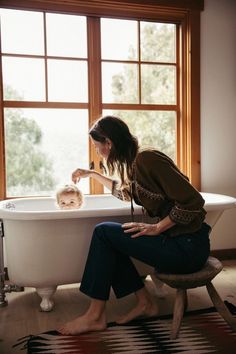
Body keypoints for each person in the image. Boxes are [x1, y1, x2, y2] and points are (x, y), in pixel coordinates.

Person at [59, 115, 211, 335]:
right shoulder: (134, 166)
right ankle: (145, 303)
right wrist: (92, 174)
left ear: (108, 143)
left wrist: (157, 228)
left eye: (97, 146)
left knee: (103, 232)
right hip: (176, 243)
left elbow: (194, 201)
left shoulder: (147, 160)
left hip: (188, 248)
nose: (97, 151)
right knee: (110, 239)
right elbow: (124, 193)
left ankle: (94, 315)